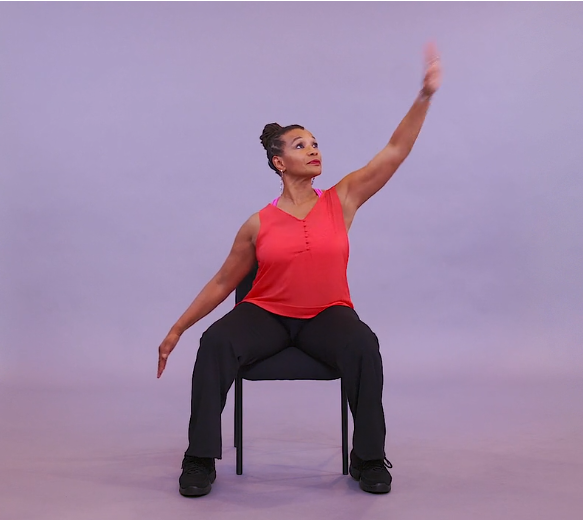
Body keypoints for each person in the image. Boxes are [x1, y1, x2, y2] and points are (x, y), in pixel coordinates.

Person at [157, 43, 442, 497]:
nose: (313, 150)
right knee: (215, 342)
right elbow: (223, 282)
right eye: (300, 145)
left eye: (315, 143)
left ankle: (369, 457)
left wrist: (424, 96)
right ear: (279, 162)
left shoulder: (342, 199)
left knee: (363, 345)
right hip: (265, 314)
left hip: (328, 313)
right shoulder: (258, 223)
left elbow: (394, 150)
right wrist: (177, 330)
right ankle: (199, 458)